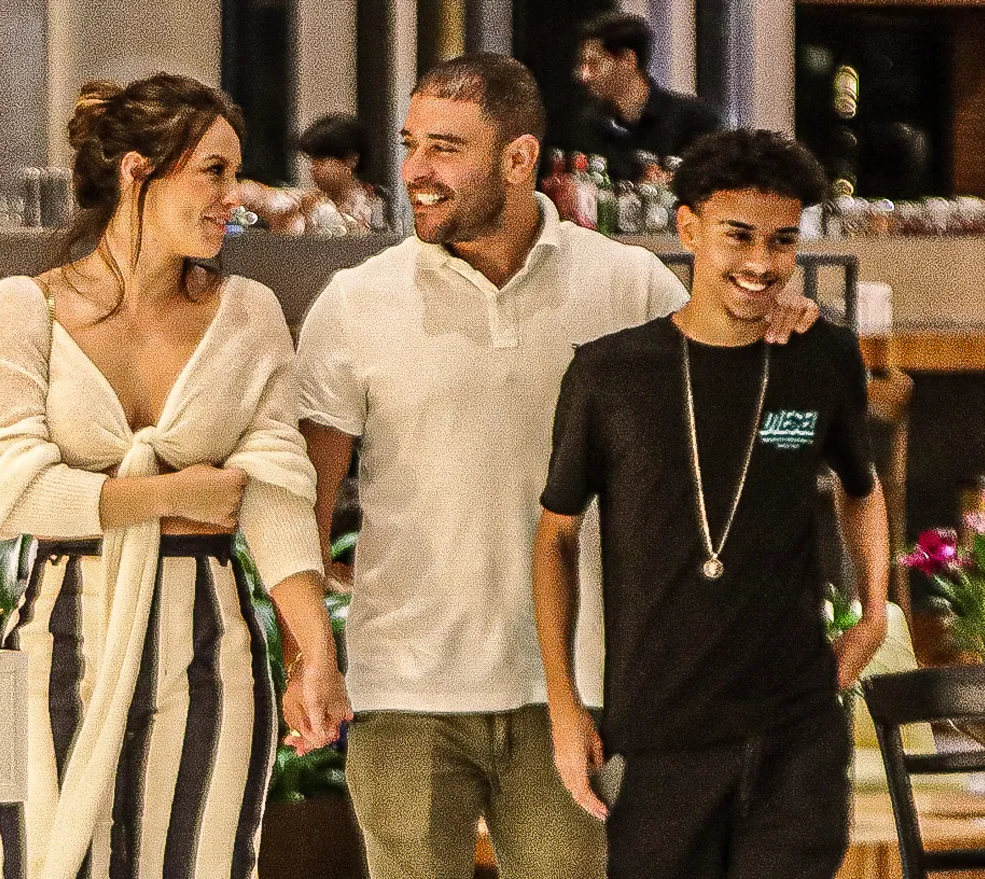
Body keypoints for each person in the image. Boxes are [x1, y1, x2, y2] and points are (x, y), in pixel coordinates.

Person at [293, 55, 818, 879]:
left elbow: (723, 410)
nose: (416, 172)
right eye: (409, 144)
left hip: (577, 692)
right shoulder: (355, 303)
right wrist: (311, 652)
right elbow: (308, 505)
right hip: (407, 690)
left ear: (517, 157)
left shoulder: (628, 284)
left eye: (445, 148)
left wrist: (776, 315)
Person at [0, 73, 351, 879]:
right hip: (62, 635)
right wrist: (176, 494)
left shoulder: (248, 313)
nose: (234, 196)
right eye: (214, 170)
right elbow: (0, 490)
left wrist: (316, 650)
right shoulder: (22, 309)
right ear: (139, 171)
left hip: (212, 643)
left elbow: (274, 495)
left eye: (234, 173)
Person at [533, 129, 889, 879]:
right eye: (739, 236)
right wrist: (565, 706)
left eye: (782, 241)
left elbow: (862, 488)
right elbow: (555, 539)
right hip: (661, 736)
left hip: (797, 730)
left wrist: (877, 607)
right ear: (689, 227)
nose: (761, 263)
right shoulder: (610, 374)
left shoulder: (822, 357)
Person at [574, 12, 721, 181]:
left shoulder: (694, 121)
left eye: (594, 64)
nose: (583, 76)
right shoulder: (590, 125)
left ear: (628, 60)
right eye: (583, 64)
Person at [298, 113, 390, 232]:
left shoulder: (376, 203)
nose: (313, 168)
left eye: (320, 161)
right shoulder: (310, 203)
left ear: (351, 161)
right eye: (312, 161)